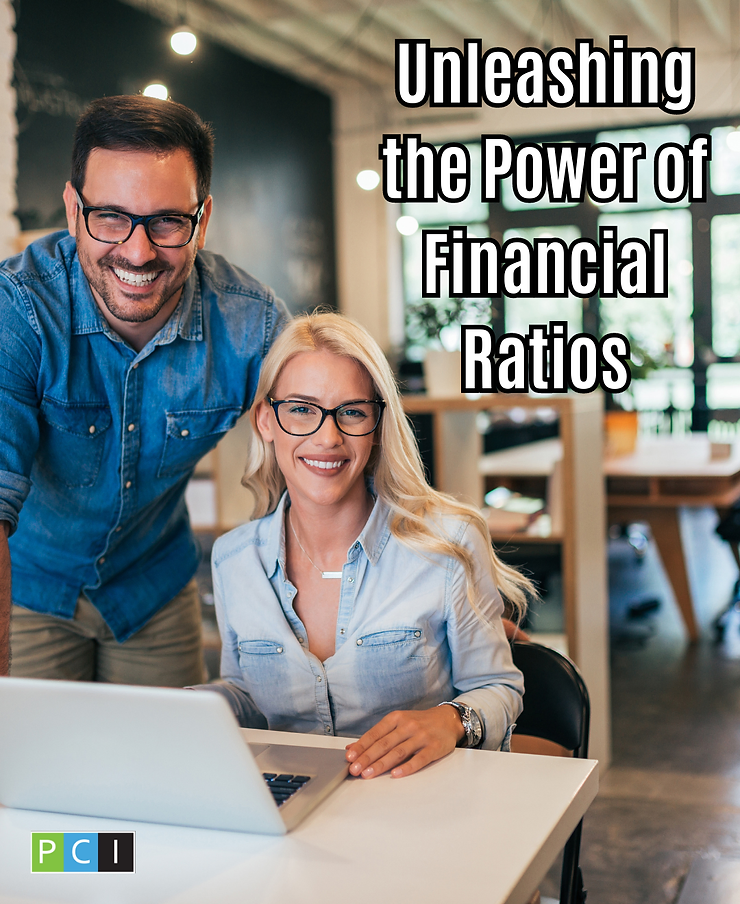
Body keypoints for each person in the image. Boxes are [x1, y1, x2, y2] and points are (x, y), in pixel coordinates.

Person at [0, 95, 288, 682]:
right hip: (28, 588)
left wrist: (439, 592)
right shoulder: (19, 311)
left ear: (202, 220)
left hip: (154, 589)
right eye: (110, 217)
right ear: (72, 209)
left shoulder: (249, 324)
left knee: (166, 771)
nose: (138, 251)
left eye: (167, 221)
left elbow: (338, 448)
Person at [208, 312, 532, 779]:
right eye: (301, 409)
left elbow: (499, 687)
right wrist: (192, 705)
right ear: (266, 421)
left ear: (378, 425)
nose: (328, 437)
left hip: (418, 809)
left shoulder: (448, 545)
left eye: (352, 412)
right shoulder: (234, 559)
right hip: (291, 810)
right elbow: (247, 700)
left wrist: (449, 721)